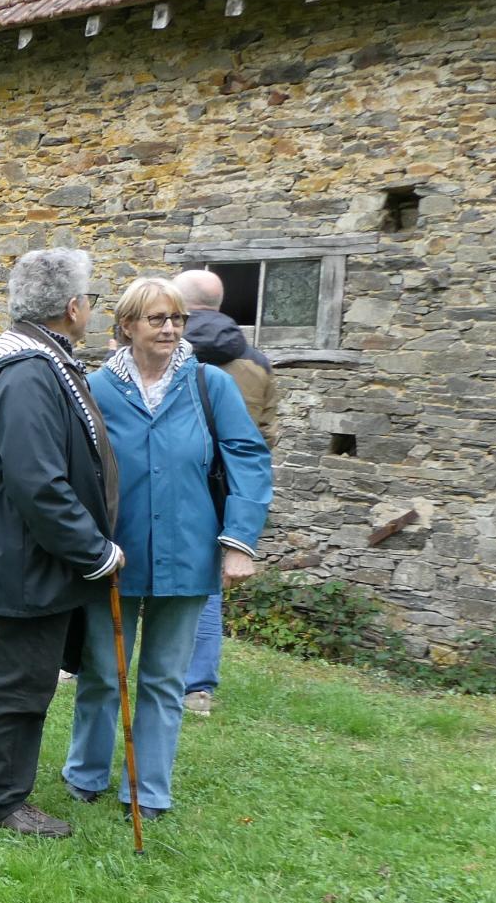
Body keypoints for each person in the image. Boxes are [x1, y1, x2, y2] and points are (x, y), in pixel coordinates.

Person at [63, 277, 273, 819]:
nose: (170, 328)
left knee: (163, 679)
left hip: (187, 552)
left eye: (176, 318)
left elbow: (249, 458)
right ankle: (85, 773)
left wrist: (240, 543)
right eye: (157, 319)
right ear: (127, 326)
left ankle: (147, 790)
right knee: (103, 672)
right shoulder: (95, 389)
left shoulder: (209, 385)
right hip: (114, 553)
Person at [0, 248, 125, 840]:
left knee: (6, 669)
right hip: (28, 558)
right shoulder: (28, 373)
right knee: (22, 683)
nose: (91, 308)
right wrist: (93, 551)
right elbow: (37, 483)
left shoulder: (39, 363)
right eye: (90, 299)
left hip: (23, 554)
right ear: (72, 307)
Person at [175, 268, 280, 716]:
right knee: (205, 585)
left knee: (122, 565)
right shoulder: (255, 362)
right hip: (221, 489)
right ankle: (196, 689)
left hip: (164, 476)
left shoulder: (154, 349)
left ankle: (87, 663)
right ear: (220, 303)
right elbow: (267, 433)